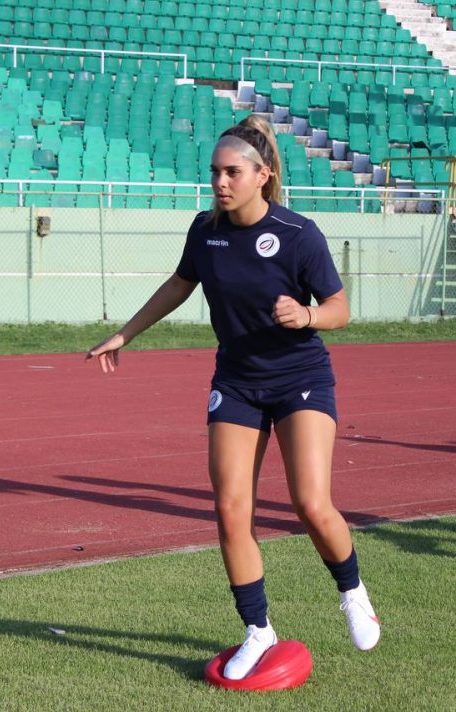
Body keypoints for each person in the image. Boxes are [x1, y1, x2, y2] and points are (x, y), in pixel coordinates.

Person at [86, 114, 380, 680]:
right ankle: (257, 630)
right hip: (237, 382)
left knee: (310, 504)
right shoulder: (205, 229)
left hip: (301, 378)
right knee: (230, 509)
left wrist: (309, 314)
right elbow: (178, 284)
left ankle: (352, 592)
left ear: (262, 176)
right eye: (215, 172)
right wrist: (124, 333)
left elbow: (341, 309)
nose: (220, 182)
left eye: (232, 172)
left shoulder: (299, 235)